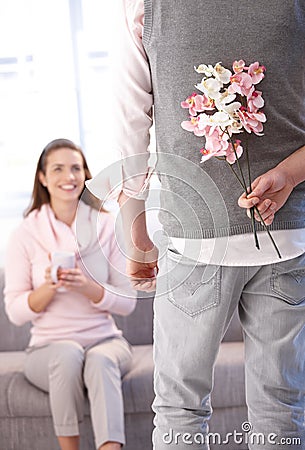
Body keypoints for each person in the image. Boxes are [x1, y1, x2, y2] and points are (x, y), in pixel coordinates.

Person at [104, 1, 305, 449]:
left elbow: (129, 115)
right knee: (281, 407)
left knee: (181, 407)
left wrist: (135, 225)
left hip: (194, 237)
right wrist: (288, 175)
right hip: (286, 236)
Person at [4, 138, 137, 450]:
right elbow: (14, 311)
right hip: (47, 349)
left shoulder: (105, 225)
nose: (70, 176)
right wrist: (49, 288)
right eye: (59, 169)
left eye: (76, 168)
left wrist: (90, 289)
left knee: (101, 360)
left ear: (86, 175)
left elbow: (129, 301)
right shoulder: (25, 234)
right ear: (43, 178)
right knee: (67, 353)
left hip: (106, 341)